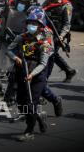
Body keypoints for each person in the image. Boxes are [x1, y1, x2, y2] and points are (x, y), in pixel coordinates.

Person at [6, 10, 52, 141]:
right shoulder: (21, 37)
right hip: (22, 73)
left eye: (34, 24)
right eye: (29, 23)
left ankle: (29, 131)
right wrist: (15, 58)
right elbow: (9, 50)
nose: (31, 26)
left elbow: (43, 63)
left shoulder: (44, 43)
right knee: (21, 103)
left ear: (41, 26)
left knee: (30, 103)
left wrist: (32, 74)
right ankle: (38, 117)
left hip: (37, 76)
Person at [42, 0, 76, 83]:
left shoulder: (67, 5)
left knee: (51, 55)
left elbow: (67, 24)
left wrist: (61, 36)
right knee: (50, 53)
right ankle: (69, 70)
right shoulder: (47, 2)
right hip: (46, 32)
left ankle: (45, 78)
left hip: (58, 33)